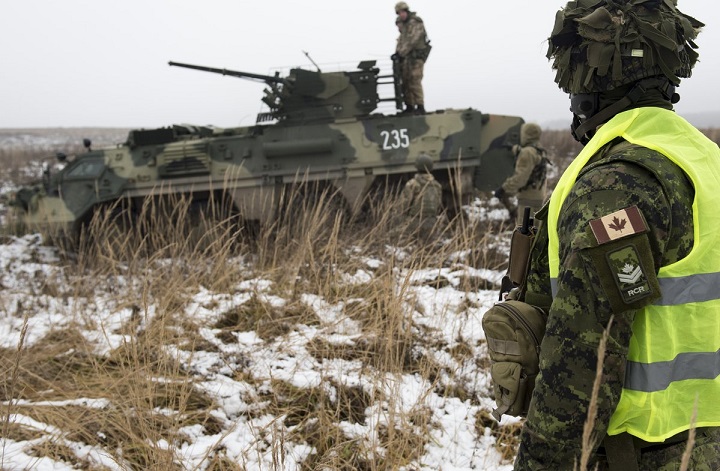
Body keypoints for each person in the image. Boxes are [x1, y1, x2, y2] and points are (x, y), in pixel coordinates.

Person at [495, 2, 720, 469]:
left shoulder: (615, 184)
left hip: (647, 453)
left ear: (586, 80)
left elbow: (581, 368)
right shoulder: (705, 159)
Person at [493, 123, 549, 226]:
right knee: (535, 232)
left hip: (527, 202)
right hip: (538, 198)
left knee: (524, 236)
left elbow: (521, 178)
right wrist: (515, 149)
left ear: (526, 134)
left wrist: (504, 189)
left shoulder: (526, 153)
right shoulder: (539, 150)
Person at [392, 2, 431, 115]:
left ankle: (420, 106)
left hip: (416, 57)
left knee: (414, 79)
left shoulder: (415, 23)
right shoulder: (404, 28)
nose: (401, 14)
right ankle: (409, 106)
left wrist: (401, 53)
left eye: (403, 12)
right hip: (407, 59)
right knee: (406, 81)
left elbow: (412, 41)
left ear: (407, 11)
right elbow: (402, 42)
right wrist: (397, 54)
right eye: (399, 13)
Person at [399, 154, 442, 240]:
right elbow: (438, 206)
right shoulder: (437, 185)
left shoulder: (412, 184)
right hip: (431, 223)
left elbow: (403, 206)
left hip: (414, 222)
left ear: (417, 167)